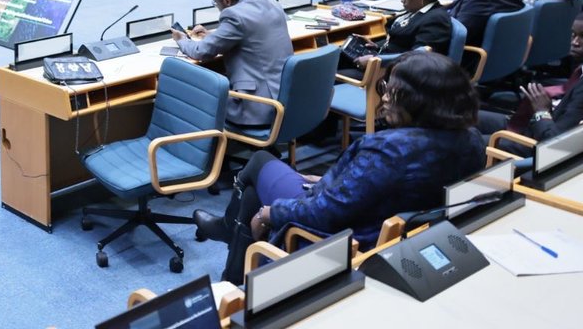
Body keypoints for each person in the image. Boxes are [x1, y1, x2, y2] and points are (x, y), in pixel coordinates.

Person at [192, 51, 484, 284]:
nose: (383, 98)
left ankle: (231, 248)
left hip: (351, 235)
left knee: (259, 163)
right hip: (404, 230)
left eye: (391, 92)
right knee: (257, 187)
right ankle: (234, 268)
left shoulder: (388, 151)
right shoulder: (472, 139)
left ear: (417, 100)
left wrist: (271, 213)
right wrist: (345, 179)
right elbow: (389, 185)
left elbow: (325, 213)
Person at [170, 0, 291, 127]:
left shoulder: (234, 15)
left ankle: (200, 149)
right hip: (286, 99)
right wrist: (212, 36)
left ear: (226, 1)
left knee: (185, 87)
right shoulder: (272, 4)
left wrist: (182, 40)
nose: (217, 6)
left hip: (256, 108)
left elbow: (201, 52)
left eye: (215, 2)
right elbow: (250, 38)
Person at [478, 14, 583, 156]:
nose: (575, 42)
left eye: (582, 37)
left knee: (466, 141)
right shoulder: (579, 68)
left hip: (535, 145)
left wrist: (541, 111)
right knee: (463, 114)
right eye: (573, 34)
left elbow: (554, 143)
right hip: (534, 125)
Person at [348, 0, 453, 66]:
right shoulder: (416, 11)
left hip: (392, 72)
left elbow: (418, 58)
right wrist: (377, 46)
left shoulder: (436, 19)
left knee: (336, 70)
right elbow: (400, 42)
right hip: (385, 59)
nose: (402, 0)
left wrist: (375, 59)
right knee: (341, 55)